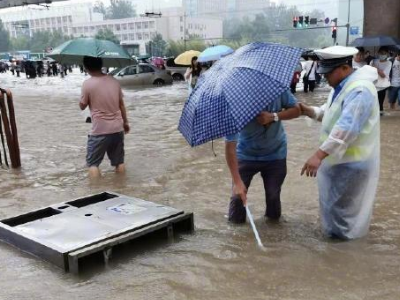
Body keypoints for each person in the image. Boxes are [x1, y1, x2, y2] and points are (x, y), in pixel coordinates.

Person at [300, 46, 380, 240]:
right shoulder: (341, 86)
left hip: (351, 164)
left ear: (344, 68)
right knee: (335, 208)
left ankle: (341, 252)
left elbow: (347, 129)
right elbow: (331, 113)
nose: (325, 77)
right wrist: (309, 110)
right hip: (339, 161)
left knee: (344, 213)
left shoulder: (359, 90)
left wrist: (318, 155)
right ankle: (335, 245)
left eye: (328, 72)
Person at [225, 90, 300, 223]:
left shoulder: (277, 89)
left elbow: (297, 110)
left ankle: (273, 232)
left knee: (273, 196)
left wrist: (274, 116)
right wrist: (237, 182)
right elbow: (230, 147)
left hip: (275, 153)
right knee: (237, 198)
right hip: (245, 154)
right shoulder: (234, 102)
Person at [79, 56, 130, 178]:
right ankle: (121, 186)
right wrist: (126, 123)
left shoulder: (87, 84)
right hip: (117, 128)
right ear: (101, 64)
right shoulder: (114, 81)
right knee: (119, 162)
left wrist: (82, 99)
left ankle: (96, 190)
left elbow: (82, 106)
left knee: (93, 164)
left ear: (86, 67)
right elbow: (121, 105)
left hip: (99, 130)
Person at [370, 47, 391, 115]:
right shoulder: (373, 61)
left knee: (380, 100)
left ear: (387, 54)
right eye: (381, 53)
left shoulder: (389, 63)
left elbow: (383, 75)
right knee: (374, 99)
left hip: (383, 85)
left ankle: (380, 112)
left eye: (384, 53)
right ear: (378, 53)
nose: (382, 55)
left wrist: (376, 68)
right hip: (374, 83)